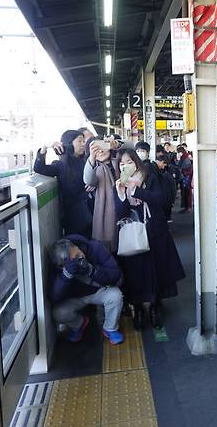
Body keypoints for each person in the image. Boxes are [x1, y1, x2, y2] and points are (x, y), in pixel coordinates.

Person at [115, 149, 185, 330]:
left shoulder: (148, 175)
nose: (125, 166)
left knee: (157, 269)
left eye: (129, 161)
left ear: (137, 162)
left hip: (155, 231)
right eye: (121, 163)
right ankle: (138, 308)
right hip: (133, 234)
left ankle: (155, 307)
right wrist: (122, 194)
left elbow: (161, 199)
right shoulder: (120, 183)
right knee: (135, 272)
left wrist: (136, 190)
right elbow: (120, 213)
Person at [48, 235, 124, 345]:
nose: (80, 259)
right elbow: (53, 297)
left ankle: (110, 328)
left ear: (77, 247)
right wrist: (66, 276)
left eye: (79, 255)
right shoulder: (57, 266)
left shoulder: (94, 248)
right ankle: (79, 324)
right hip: (75, 297)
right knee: (58, 312)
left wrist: (92, 271)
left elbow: (115, 274)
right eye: (74, 260)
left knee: (115, 295)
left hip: (97, 290)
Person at [34, 130, 93, 237]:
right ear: (69, 144)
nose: (83, 144)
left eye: (84, 141)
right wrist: (44, 148)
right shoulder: (60, 165)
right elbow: (39, 168)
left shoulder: (87, 161)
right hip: (74, 217)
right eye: (80, 141)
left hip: (92, 211)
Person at [82, 138, 121, 252]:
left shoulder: (119, 160)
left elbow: (131, 147)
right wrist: (92, 158)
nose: (101, 151)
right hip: (107, 214)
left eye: (102, 146)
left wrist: (115, 143)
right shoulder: (95, 168)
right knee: (110, 248)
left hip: (124, 209)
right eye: (95, 150)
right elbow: (89, 180)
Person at [177, 146, 193, 213]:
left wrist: (178, 161)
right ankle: (187, 207)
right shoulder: (185, 157)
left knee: (187, 192)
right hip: (186, 176)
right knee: (186, 192)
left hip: (186, 177)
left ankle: (188, 207)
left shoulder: (185, 157)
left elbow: (184, 166)